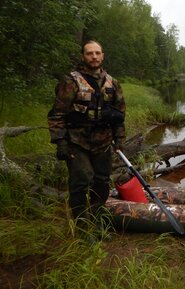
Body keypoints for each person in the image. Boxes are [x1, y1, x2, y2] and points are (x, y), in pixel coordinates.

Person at [48, 40, 125, 236]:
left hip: (104, 142)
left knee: (101, 182)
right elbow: (57, 115)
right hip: (77, 141)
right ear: (83, 56)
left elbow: (119, 115)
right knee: (81, 182)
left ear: (103, 55)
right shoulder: (71, 82)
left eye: (97, 53)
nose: (94, 56)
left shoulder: (112, 83)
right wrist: (61, 143)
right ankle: (82, 228)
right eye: (89, 53)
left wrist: (119, 139)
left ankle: (97, 221)